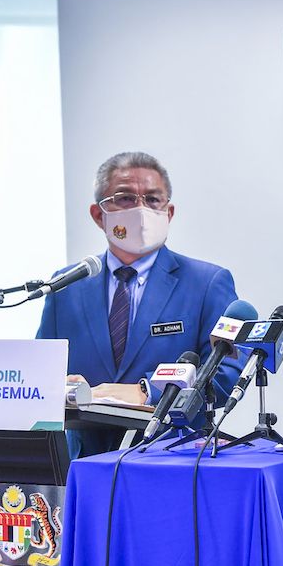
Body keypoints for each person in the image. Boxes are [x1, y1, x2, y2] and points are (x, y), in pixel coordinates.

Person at [38, 151, 245, 458]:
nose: (141, 209)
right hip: (84, 466)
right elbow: (42, 372)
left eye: (152, 200)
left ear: (169, 212)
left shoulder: (206, 283)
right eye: (125, 198)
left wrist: (149, 391)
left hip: (173, 463)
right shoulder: (66, 285)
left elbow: (226, 371)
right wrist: (63, 387)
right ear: (98, 215)